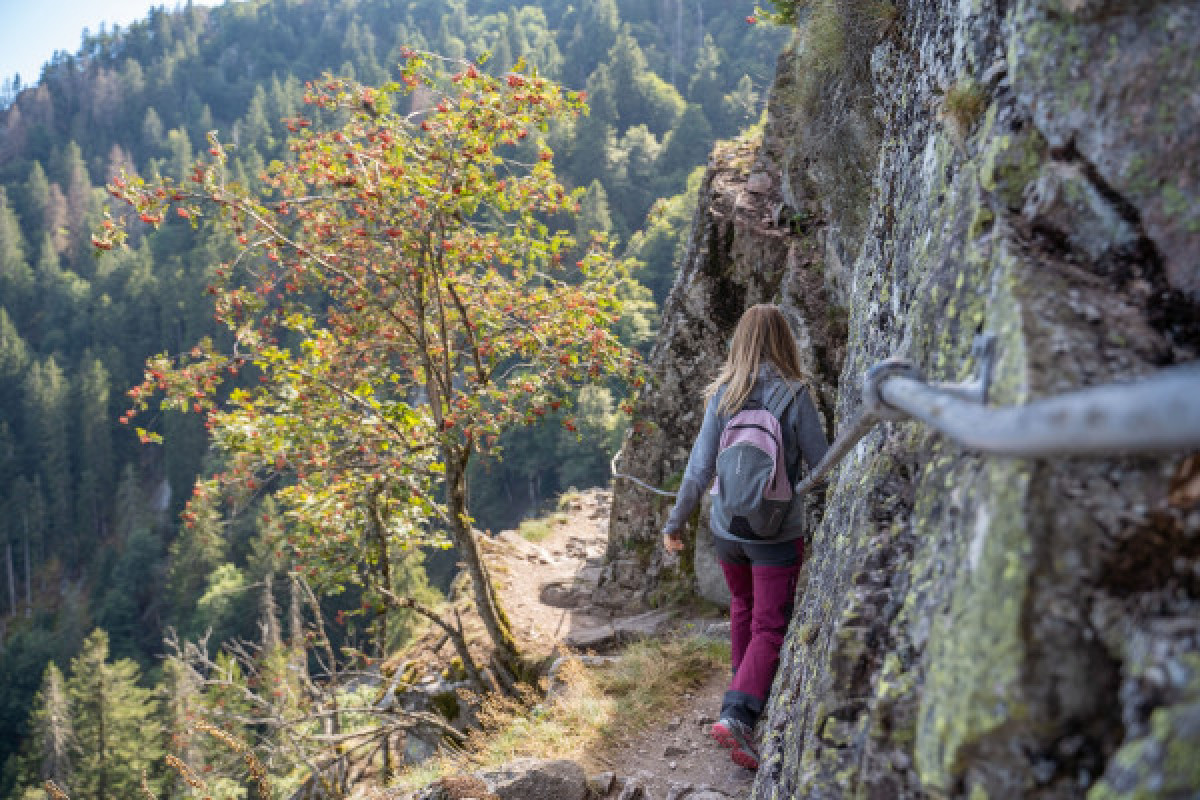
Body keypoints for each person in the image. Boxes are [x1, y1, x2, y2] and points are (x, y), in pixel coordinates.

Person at [661, 303, 829, 770]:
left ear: (740, 342)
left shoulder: (724, 395)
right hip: (775, 531)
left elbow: (698, 470)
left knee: (743, 606)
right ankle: (738, 714)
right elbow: (822, 463)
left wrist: (675, 524)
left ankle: (741, 689)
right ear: (785, 341)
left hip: (726, 528)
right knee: (770, 625)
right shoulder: (794, 395)